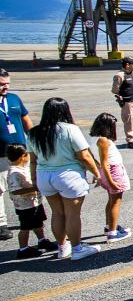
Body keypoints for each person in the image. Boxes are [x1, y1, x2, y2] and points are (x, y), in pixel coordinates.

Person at [27, 98, 102, 260]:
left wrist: (34, 179)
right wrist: (97, 173)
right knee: (72, 214)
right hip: (68, 175)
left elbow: (32, 159)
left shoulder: (34, 132)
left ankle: (62, 247)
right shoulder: (70, 129)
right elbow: (84, 155)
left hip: (44, 176)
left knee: (57, 213)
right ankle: (77, 248)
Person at [5, 144, 57, 258]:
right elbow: (15, 191)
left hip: (34, 202)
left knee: (38, 223)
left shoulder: (22, 168)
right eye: (27, 154)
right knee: (25, 227)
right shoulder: (14, 172)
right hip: (25, 206)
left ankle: (42, 240)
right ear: (22, 156)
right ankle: (23, 249)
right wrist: (35, 188)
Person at [0, 68, 33, 240]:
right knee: (0, 189)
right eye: (1, 84)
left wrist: (33, 139)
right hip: (0, 155)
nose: (5, 88)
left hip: (20, 152)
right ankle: (1, 224)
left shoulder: (13, 99)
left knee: (22, 186)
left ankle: (26, 216)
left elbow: (25, 119)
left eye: (7, 84)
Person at [89, 113, 132, 243]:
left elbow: (94, 159)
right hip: (113, 171)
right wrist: (111, 181)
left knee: (111, 200)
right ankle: (112, 233)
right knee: (116, 202)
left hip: (106, 172)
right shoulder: (103, 140)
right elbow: (105, 163)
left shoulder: (92, 138)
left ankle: (110, 226)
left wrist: (98, 173)